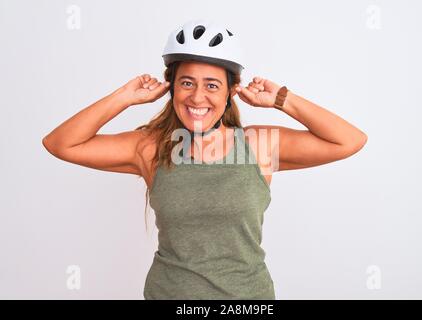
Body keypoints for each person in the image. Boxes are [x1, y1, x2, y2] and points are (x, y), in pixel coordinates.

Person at [42, 19, 368, 300]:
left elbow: (350, 140)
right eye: (187, 83)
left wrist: (283, 99)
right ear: (172, 88)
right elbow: (61, 143)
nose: (197, 97)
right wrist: (125, 97)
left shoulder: (258, 145)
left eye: (212, 85)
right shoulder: (151, 148)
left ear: (231, 91)